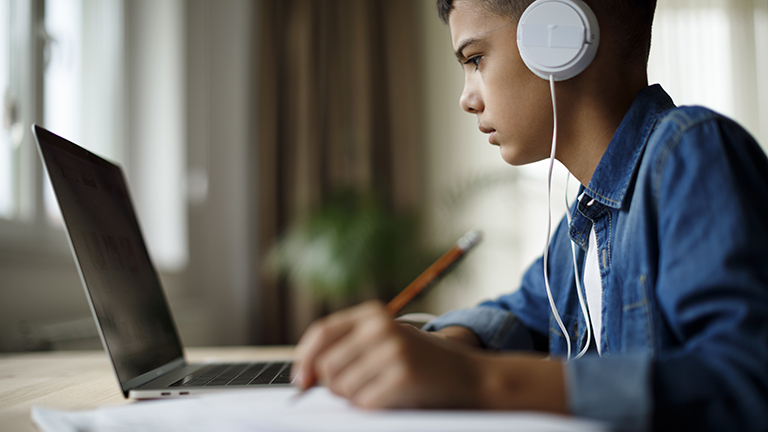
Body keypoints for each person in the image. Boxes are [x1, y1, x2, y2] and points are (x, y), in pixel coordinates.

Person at [290, 0, 768, 430]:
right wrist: (437, 348)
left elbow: (746, 383)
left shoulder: (689, 153)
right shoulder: (582, 226)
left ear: (556, 37)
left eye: (475, 59)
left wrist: (477, 381)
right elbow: (519, 314)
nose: (466, 97)